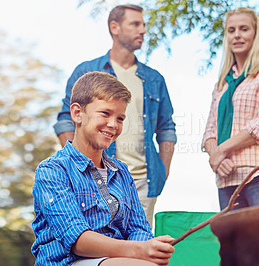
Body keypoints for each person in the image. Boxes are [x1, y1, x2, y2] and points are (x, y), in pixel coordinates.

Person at [32, 71, 175, 266]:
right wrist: (139, 251)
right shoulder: (52, 170)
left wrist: (149, 248)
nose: (113, 124)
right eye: (105, 113)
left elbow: (139, 228)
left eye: (120, 118)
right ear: (77, 113)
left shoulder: (121, 172)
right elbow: (78, 240)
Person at [53, 4, 176, 227]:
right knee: (94, 246)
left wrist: (163, 170)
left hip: (142, 181)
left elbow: (166, 128)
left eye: (144, 25)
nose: (143, 30)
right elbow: (65, 120)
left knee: (138, 248)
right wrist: (78, 165)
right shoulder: (88, 71)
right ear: (115, 27)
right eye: (135, 24)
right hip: (94, 177)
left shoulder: (155, 79)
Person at [202, 7, 259, 211]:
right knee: (236, 244)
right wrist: (216, 157)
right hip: (227, 180)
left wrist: (220, 151)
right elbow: (209, 131)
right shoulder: (222, 85)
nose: (237, 35)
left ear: (256, 34)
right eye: (231, 30)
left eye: (244, 29)